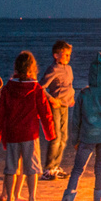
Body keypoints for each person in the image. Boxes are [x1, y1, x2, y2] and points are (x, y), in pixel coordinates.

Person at [48, 52, 101, 201]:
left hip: (87, 137)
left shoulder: (84, 93)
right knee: (100, 169)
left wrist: (75, 139)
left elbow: (76, 119)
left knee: (77, 170)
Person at [0, 51, 55, 201]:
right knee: (32, 167)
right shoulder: (35, 88)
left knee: (11, 167)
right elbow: (45, 113)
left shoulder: (7, 89)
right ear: (32, 68)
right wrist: (50, 133)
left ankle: (9, 199)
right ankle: (32, 199)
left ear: (16, 68)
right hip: (30, 133)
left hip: (12, 134)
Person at [40, 41, 74, 179]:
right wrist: (51, 99)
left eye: (69, 55)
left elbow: (69, 86)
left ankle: (56, 166)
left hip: (65, 106)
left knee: (64, 137)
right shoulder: (53, 69)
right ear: (56, 55)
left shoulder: (69, 68)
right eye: (65, 54)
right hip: (55, 106)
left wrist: (71, 97)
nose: (67, 57)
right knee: (56, 137)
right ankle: (48, 168)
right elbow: (41, 87)